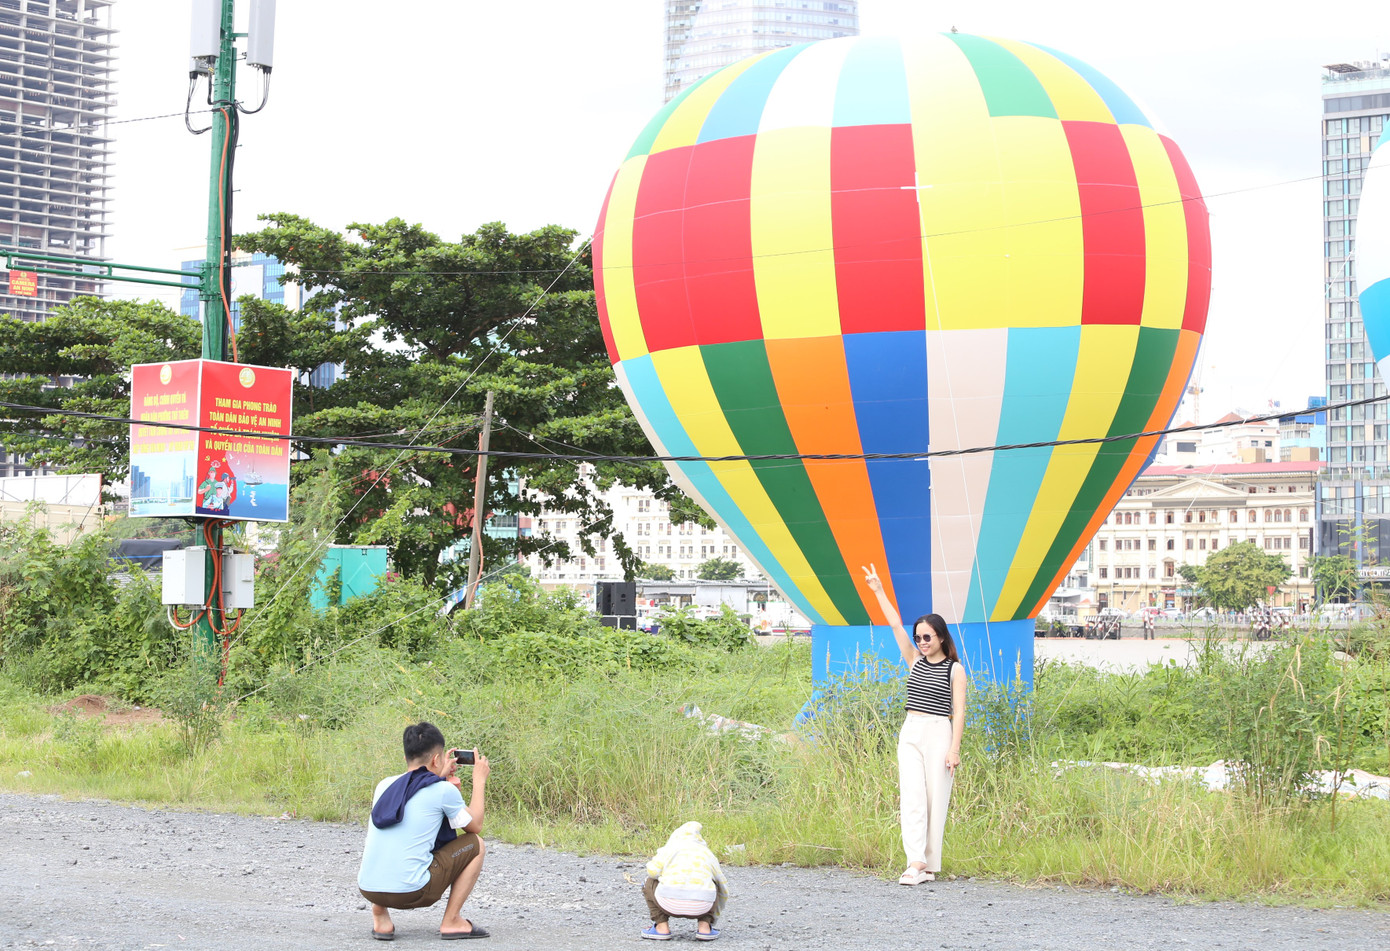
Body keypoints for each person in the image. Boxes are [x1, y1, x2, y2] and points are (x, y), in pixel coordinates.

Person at [861, 564, 967, 886]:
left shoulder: (954, 669)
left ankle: (929, 865)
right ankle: (915, 861)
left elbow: (959, 712)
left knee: (936, 798)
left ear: (941, 637)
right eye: (918, 637)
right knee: (912, 796)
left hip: (939, 731)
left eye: (927, 637)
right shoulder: (914, 661)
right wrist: (879, 590)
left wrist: (954, 749)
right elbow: (895, 625)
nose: (921, 641)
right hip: (911, 730)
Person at [358, 722, 491, 941]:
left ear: (406, 757)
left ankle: (380, 915)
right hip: (413, 892)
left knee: (391, 839)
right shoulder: (443, 790)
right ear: (436, 759)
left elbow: (415, 794)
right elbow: (474, 825)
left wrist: (439, 776)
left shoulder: (384, 786)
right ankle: (452, 921)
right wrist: (479, 780)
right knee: (476, 843)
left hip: (368, 888)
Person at [640, 821, 729, 941]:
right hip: (702, 906)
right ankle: (705, 927)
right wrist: (715, 917)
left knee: (649, 881)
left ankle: (661, 927)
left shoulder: (669, 849)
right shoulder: (707, 854)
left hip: (668, 903)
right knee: (715, 883)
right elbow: (723, 885)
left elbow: (652, 871)